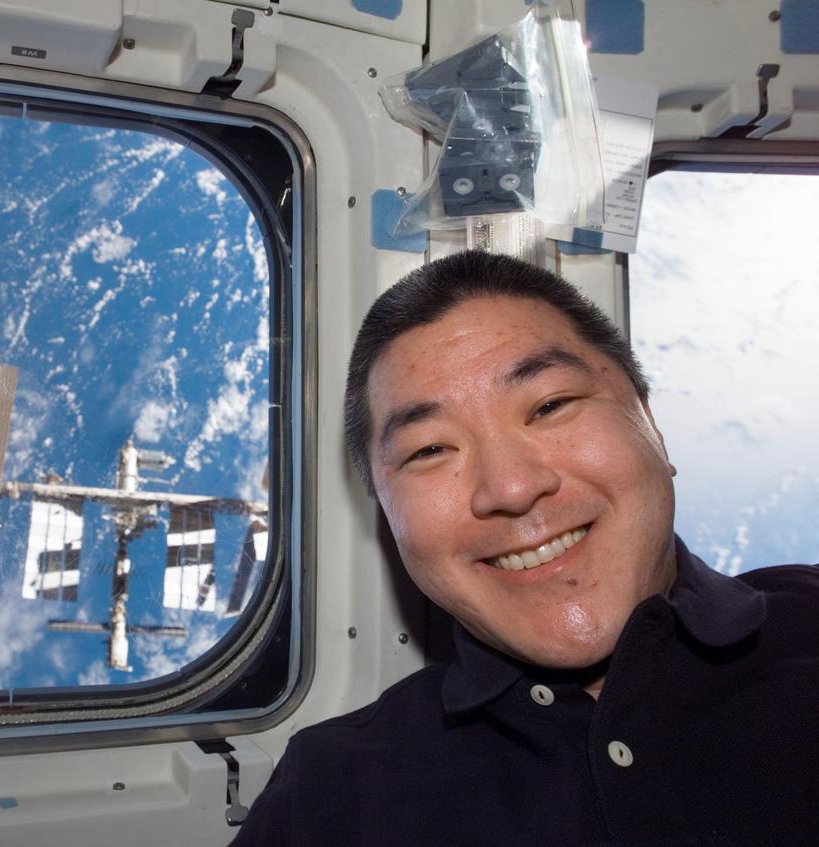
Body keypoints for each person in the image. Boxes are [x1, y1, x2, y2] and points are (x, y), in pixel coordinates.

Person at [231, 250, 819, 846]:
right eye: (430, 450)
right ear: (388, 517)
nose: (511, 488)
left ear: (649, 422)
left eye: (549, 405)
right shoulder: (327, 794)